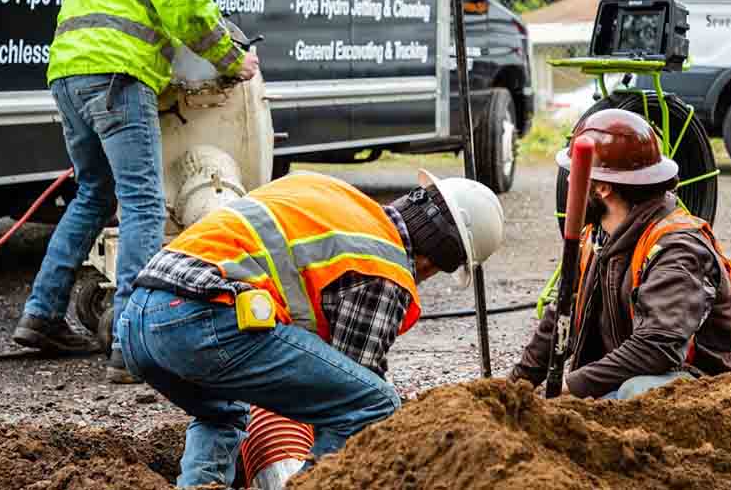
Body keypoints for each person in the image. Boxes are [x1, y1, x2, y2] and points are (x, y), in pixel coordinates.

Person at [12, 0, 260, 384]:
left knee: (94, 194)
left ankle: (42, 314)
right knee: (144, 202)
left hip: (70, 76)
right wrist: (233, 59)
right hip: (116, 77)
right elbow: (188, 10)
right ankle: (132, 341)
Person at [121, 169, 505, 487]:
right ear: (436, 260)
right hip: (201, 319)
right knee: (374, 403)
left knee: (223, 412)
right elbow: (351, 392)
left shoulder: (334, 196)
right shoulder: (385, 270)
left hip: (140, 318)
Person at [510, 109, 731, 399]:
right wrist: (513, 388)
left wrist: (571, 386)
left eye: (576, 176)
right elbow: (560, 322)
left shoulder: (677, 249)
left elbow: (656, 348)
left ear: (603, 188)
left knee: (637, 392)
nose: (570, 184)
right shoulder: (595, 238)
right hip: (647, 375)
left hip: (712, 391)